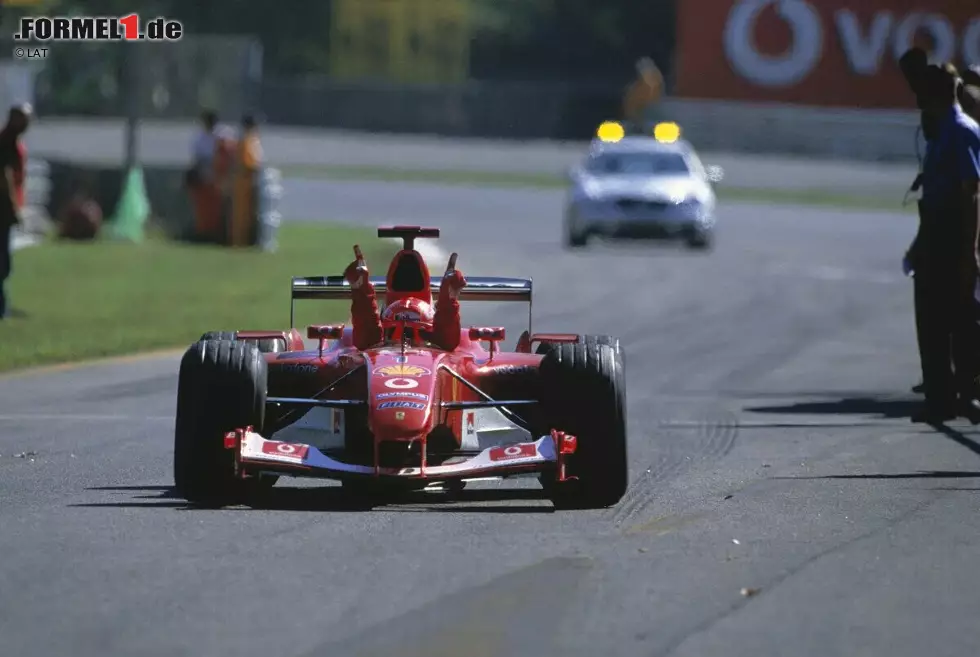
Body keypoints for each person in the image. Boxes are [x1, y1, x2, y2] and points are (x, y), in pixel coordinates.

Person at [911, 64, 980, 423]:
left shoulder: (962, 132)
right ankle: (939, 398)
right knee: (932, 321)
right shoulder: (941, 134)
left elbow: (971, 194)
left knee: (960, 320)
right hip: (934, 234)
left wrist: (970, 251)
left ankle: (967, 395)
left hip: (951, 239)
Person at [342, 250, 467, 351]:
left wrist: (449, 299)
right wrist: (361, 289)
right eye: (395, 334)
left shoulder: (443, 346)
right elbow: (366, 340)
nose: (405, 344)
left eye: (414, 334)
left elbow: (448, 341)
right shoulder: (372, 342)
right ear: (385, 332)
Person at [0, 103, 30, 320]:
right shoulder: (6, 143)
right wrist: (12, 207)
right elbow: (5, 177)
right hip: (2, 209)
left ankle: (2, 304)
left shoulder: (13, 142)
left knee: (4, 261)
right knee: (2, 261)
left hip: (7, 209)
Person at [230, 114, 262, 247]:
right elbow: (248, 164)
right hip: (244, 182)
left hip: (246, 181)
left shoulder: (250, 140)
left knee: (246, 215)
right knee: (241, 215)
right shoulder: (246, 141)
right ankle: (239, 242)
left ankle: (242, 241)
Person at [622, 57, 664, 127]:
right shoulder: (635, 89)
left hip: (652, 119)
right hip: (635, 120)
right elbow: (630, 107)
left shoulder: (657, 82)